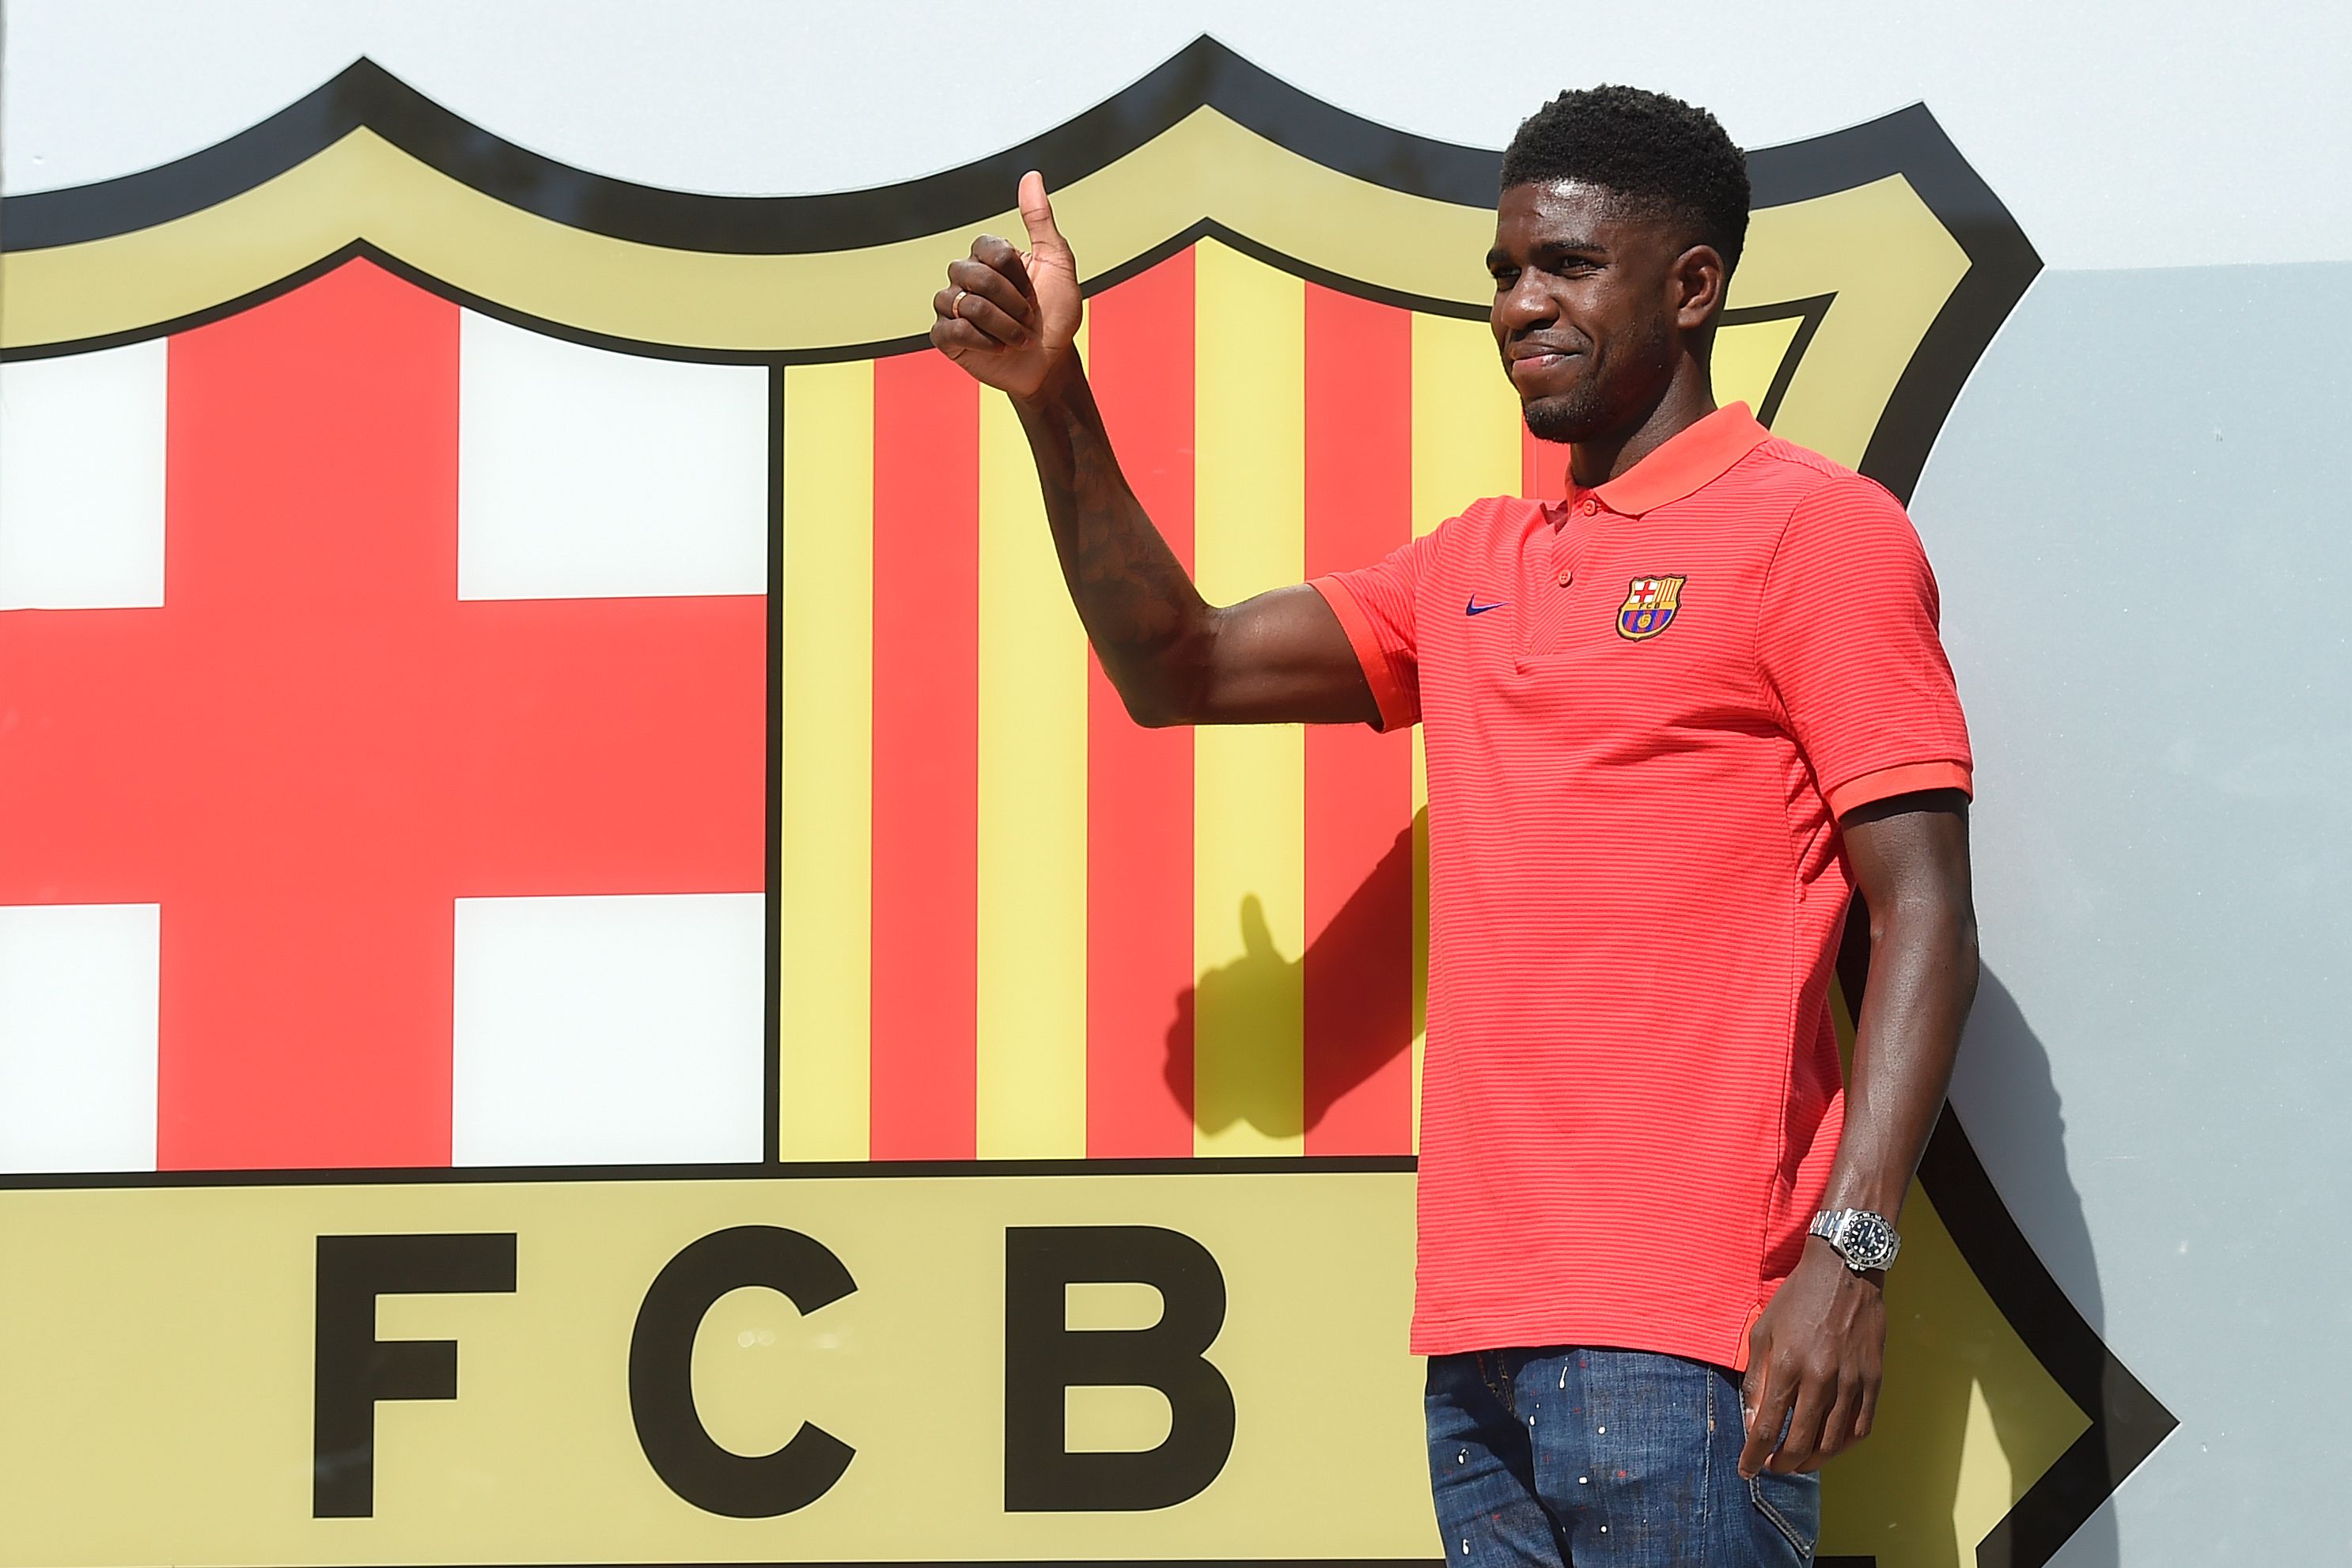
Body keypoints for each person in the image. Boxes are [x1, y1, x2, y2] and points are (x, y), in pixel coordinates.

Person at [929, 85, 1978, 1566]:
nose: (1517, 304)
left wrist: (1850, 1255)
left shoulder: (1815, 532)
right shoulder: (1471, 563)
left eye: (1563, 265)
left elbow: (1925, 911)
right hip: (1475, 1339)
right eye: (1502, 270)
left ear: (1692, 286)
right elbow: (1184, 665)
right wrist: (1053, 394)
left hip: (1688, 1336)